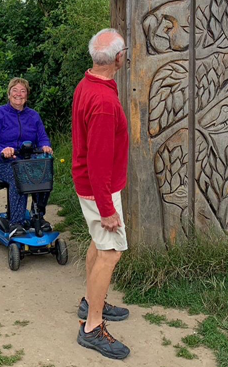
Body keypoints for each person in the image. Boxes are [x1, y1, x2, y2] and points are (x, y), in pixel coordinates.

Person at [72, 28, 131, 360]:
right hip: (100, 190)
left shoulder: (89, 83)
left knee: (99, 243)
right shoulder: (104, 101)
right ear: (119, 58)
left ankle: (90, 302)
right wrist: (107, 208)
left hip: (94, 186)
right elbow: (97, 161)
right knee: (110, 253)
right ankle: (92, 327)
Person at [0, 77, 53, 236]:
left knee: (44, 173)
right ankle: (15, 223)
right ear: (9, 94)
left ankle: (37, 216)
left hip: (25, 160)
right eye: (15, 90)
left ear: (27, 96)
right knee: (18, 177)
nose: (18, 94)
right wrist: (2, 151)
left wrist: (45, 146)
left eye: (23, 91)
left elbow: (42, 137)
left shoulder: (34, 116)